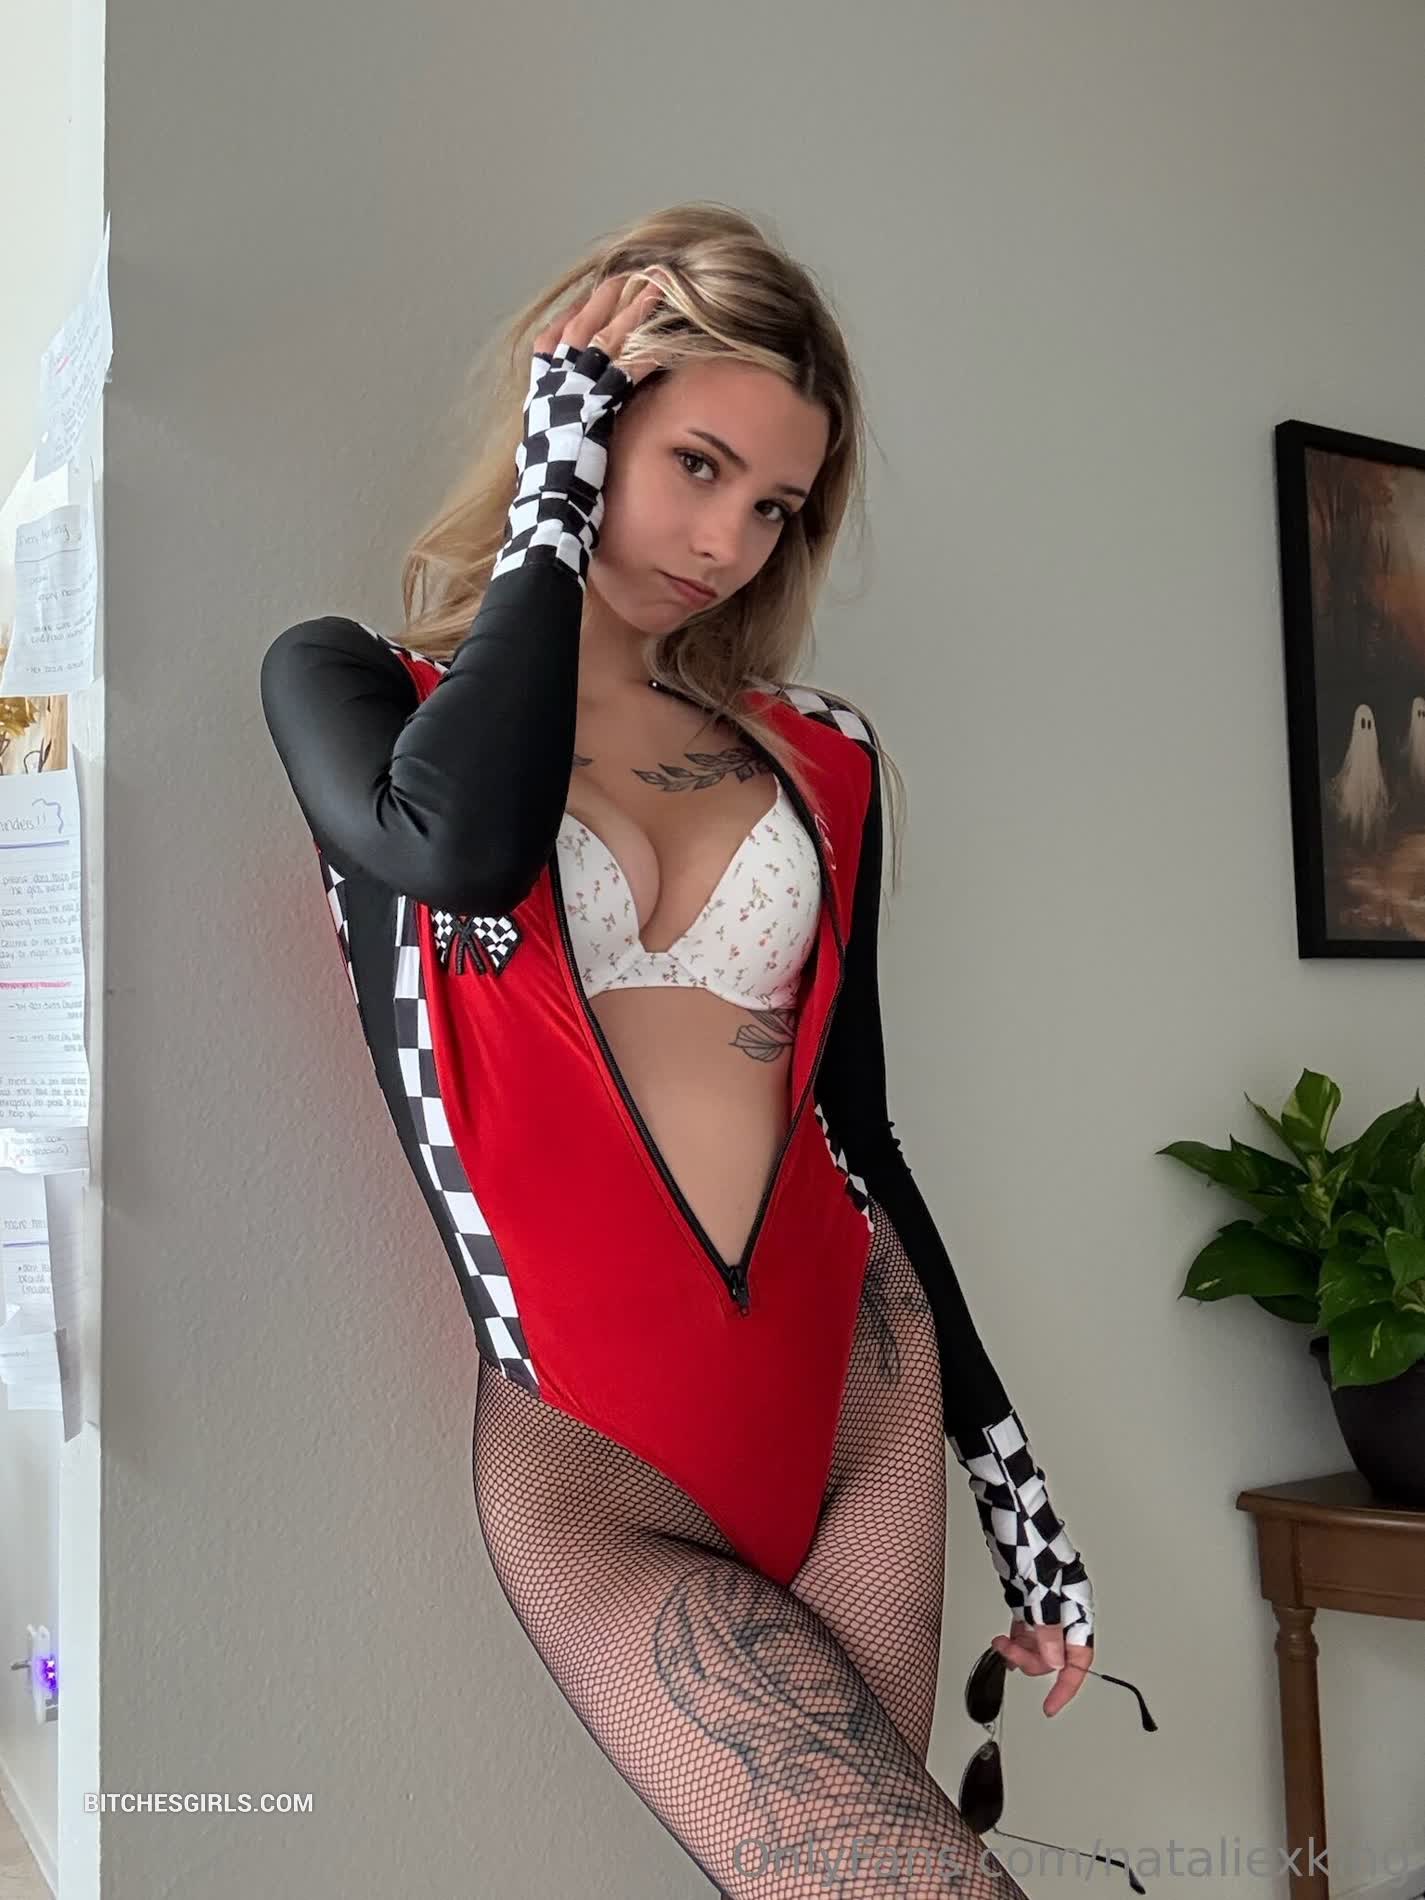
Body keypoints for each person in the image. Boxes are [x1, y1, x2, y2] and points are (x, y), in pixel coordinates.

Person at [260, 202, 1095, 1899]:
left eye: (772, 504)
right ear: (580, 423)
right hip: (597, 1455)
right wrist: (550, 504)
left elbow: (860, 1126)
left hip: (857, 1402)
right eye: (695, 465)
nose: (726, 541)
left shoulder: (818, 755)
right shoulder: (356, 689)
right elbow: (455, 852)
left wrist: (1007, 1471)